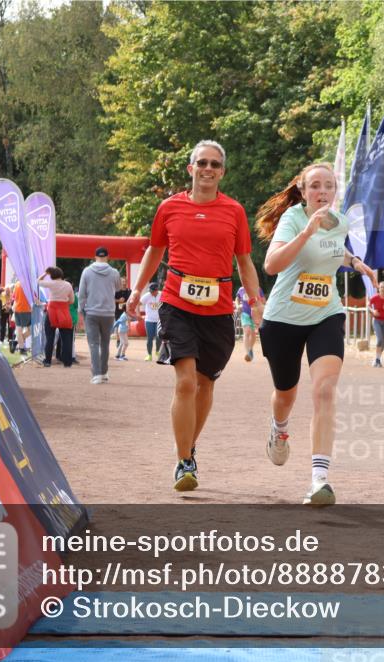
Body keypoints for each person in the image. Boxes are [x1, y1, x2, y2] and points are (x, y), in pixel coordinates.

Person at [126, 139, 265, 493]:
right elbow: (155, 252)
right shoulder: (169, 208)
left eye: (214, 165)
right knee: (185, 381)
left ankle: (189, 447)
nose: (207, 169)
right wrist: (137, 290)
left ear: (222, 172)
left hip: (218, 308)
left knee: (205, 384)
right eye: (201, 163)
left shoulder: (234, 211)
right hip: (177, 302)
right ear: (190, 169)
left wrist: (255, 299)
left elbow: (244, 261)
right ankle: (184, 460)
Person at [256, 162, 376, 505]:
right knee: (285, 394)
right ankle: (279, 428)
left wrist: (354, 263)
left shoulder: (339, 222)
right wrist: (306, 231)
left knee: (324, 391)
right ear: (303, 190)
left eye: (328, 186)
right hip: (283, 319)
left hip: (326, 313)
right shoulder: (293, 218)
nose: (322, 192)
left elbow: (334, 251)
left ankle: (319, 479)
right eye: (315, 186)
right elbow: (271, 264)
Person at [78, 246, 121, 384]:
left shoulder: (86, 271)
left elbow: (82, 293)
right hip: (108, 312)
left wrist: (80, 311)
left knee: (93, 344)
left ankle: (96, 374)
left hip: (91, 312)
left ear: (95, 257)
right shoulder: (114, 272)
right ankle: (104, 373)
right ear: (107, 257)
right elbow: (119, 288)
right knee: (105, 343)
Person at [38, 267, 75, 368]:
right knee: (66, 338)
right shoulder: (68, 285)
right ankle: (67, 362)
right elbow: (72, 301)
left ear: (52, 275)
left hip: (52, 311)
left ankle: (48, 361)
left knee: (50, 337)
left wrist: (45, 273)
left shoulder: (51, 284)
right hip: (64, 311)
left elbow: (38, 281)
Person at [235, 285, 264, 362]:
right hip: (245, 313)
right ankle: (247, 352)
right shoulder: (241, 289)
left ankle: (250, 349)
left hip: (255, 313)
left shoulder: (258, 288)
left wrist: (261, 309)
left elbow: (263, 300)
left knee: (253, 334)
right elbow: (237, 298)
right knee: (247, 331)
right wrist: (238, 306)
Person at [140, 283, 163, 361]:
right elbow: (138, 304)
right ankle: (149, 355)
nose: (151, 292)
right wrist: (138, 314)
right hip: (149, 320)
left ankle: (157, 351)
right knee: (149, 338)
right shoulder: (147, 296)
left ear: (157, 290)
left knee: (158, 337)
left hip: (159, 320)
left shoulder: (162, 295)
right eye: (150, 291)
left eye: (152, 291)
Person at [9, 279, 32, 355]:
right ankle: (20, 347)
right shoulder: (29, 284)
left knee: (19, 330)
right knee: (28, 330)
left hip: (18, 309)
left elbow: (14, 297)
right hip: (26, 309)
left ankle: (17, 342)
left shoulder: (17, 284)